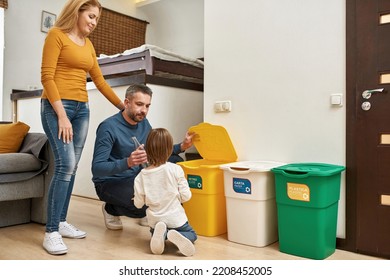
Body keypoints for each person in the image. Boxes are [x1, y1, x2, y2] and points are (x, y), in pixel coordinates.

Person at [40, 0, 124, 255]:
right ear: (77, 12)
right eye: (90, 16)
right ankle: (51, 231)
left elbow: (99, 81)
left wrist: (123, 106)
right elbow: (47, 76)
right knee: (65, 165)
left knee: (72, 166)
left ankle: (62, 221)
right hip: (57, 108)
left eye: (96, 19)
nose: (93, 22)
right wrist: (62, 115)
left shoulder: (88, 46)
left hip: (82, 110)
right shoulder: (56, 35)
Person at [91, 83, 195, 232]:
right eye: (139, 104)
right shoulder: (108, 127)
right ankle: (111, 209)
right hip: (111, 182)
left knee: (176, 163)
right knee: (141, 206)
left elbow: (156, 152)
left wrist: (182, 147)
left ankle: (155, 214)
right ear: (126, 103)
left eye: (147, 106)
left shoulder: (144, 123)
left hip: (136, 176)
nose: (144, 110)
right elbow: (97, 169)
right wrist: (128, 162)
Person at [134, 128, 197, 257]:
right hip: (176, 218)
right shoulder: (175, 169)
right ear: (169, 149)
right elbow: (186, 196)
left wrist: (139, 199)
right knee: (192, 235)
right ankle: (176, 234)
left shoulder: (141, 176)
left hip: (155, 220)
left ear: (148, 151)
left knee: (155, 231)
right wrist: (178, 195)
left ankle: (161, 234)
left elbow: (138, 204)